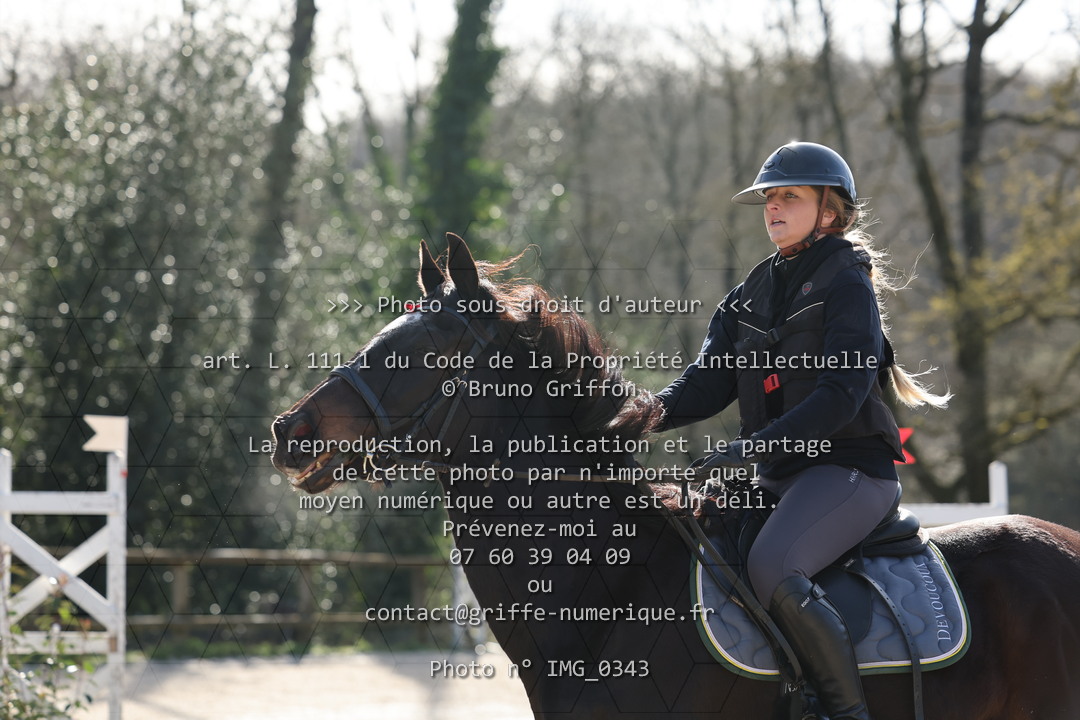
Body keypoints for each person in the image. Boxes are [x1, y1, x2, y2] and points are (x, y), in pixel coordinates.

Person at [656, 141, 949, 720]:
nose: (773, 207)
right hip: (780, 477)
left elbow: (839, 396)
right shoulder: (749, 294)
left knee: (772, 566)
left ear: (830, 211)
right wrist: (629, 417)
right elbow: (702, 386)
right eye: (769, 198)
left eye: (789, 196)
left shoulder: (848, 282)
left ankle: (845, 712)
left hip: (850, 472)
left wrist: (754, 446)